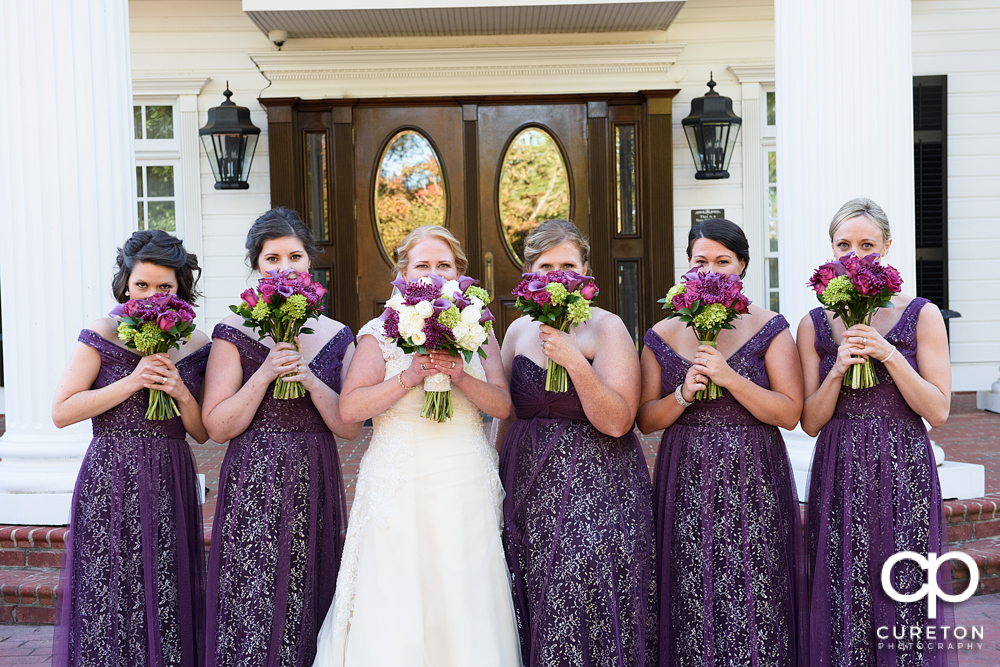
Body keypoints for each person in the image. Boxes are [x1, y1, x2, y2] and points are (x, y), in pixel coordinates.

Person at [312, 224, 520, 667]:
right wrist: (409, 375)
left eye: (443, 265)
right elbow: (350, 409)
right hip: (399, 478)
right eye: (421, 264)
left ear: (459, 274)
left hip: (462, 476)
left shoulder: (478, 329)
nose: (432, 272)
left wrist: (460, 374)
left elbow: (502, 406)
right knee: (396, 590)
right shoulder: (378, 331)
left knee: (464, 588)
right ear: (403, 273)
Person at [637, 218, 807, 667]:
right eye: (700, 261)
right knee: (692, 583)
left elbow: (789, 412)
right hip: (687, 472)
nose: (711, 270)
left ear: (742, 266)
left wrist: (730, 379)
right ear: (686, 269)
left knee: (754, 584)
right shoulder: (661, 334)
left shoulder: (771, 326)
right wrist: (682, 394)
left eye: (723, 261)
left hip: (754, 472)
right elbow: (646, 420)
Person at [796, 197, 954, 667]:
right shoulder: (813, 325)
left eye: (867, 244)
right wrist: (837, 371)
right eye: (844, 244)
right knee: (844, 583)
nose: (855, 255)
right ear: (831, 250)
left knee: (902, 582)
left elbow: (939, 410)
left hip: (902, 459)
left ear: (887, 247)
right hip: (839, 461)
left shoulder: (921, 314)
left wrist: (887, 355)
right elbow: (810, 420)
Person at [202, 207, 359, 667]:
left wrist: (310, 380)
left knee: (310, 586)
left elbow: (349, 427)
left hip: (315, 473)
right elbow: (217, 426)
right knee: (254, 589)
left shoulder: (339, 335)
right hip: (255, 472)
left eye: (294, 256)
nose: (285, 267)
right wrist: (266, 372)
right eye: (273, 258)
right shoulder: (232, 333)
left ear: (310, 263)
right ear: (257, 266)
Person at [496, 219, 656, 666]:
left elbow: (620, 421)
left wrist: (574, 360)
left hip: (594, 481)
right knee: (528, 584)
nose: (557, 275)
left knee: (577, 586)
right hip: (526, 483)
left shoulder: (608, 328)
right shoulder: (517, 332)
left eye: (568, 264)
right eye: (545, 266)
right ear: (530, 276)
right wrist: (494, 477)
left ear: (586, 272)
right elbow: (508, 413)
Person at [51, 229, 210, 667]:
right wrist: (133, 381)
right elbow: (62, 411)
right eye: (142, 285)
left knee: (166, 589)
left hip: (170, 476)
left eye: (165, 287)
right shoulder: (101, 331)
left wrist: (180, 392)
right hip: (111, 475)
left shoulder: (198, 343)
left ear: (180, 289)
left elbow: (201, 432)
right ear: (126, 283)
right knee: (110, 589)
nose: (152, 296)